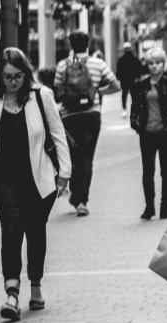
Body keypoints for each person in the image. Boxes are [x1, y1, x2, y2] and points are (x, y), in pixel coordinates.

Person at [0, 48, 71, 320]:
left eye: (18, 76)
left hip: (38, 177)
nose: (13, 82)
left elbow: (57, 133)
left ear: (26, 73)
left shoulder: (41, 96)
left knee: (35, 230)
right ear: (0, 76)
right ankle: (11, 293)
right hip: (5, 177)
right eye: (7, 77)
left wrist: (65, 171)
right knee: (10, 229)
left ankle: (35, 284)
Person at [53, 31, 121, 217]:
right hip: (92, 115)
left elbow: (57, 92)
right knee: (87, 157)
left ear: (71, 45)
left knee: (73, 156)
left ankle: (75, 194)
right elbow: (116, 86)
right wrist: (97, 92)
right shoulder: (98, 64)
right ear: (88, 44)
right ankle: (82, 199)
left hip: (69, 116)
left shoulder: (62, 65)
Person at [129, 48, 167, 220]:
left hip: (166, 134)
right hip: (146, 134)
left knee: (166, 171)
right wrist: (136, 125)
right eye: (151, 63)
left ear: (164, 64)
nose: (154, 66)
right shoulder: (141, 84)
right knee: (148, 171)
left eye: (158, 63)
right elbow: (135, 107)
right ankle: (149, 207)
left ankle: (164, 207)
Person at [117, 42, 146, 118]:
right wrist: (138, 77)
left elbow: (118, 71)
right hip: (133, 81)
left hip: (124, 81)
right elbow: (140, 69)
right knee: (134, 96)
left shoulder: (121, 59)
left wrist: (119, 78)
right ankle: (134, 110)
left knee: (124, 96)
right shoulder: (135, 58)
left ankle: (124, 110)